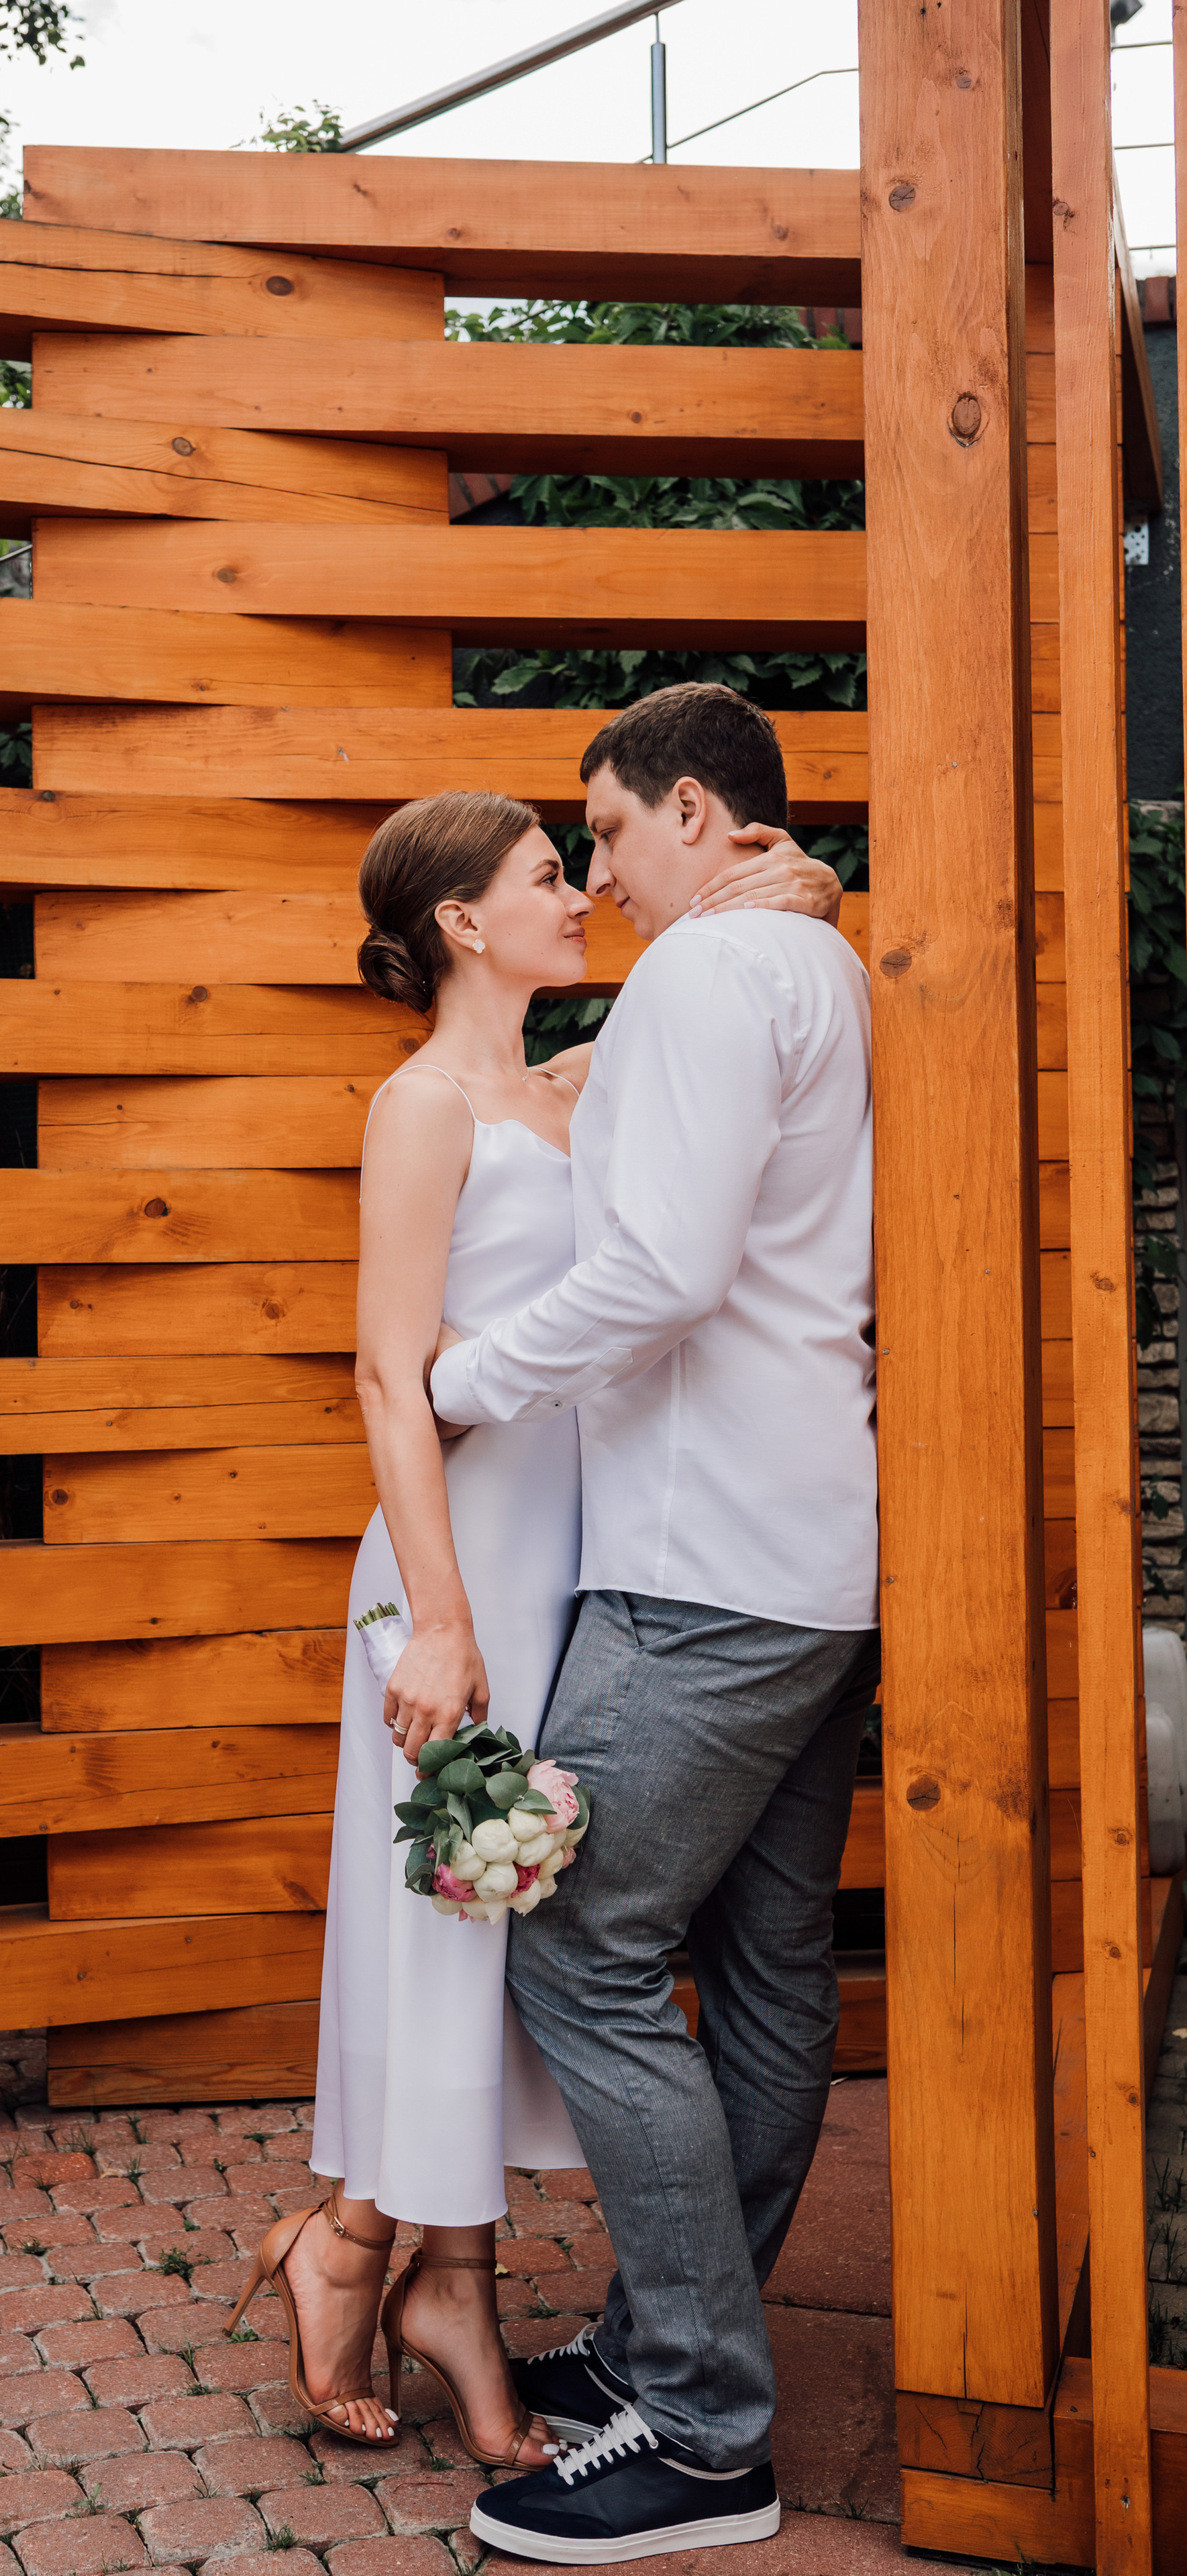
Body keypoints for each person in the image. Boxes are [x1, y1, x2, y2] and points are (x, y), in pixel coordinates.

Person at [225, 756, 846, 2479]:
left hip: (586, 1563)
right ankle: (397, 2275)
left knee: (507, 1936)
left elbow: (717, 992)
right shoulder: (419, 1105)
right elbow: (383, 1372)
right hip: (454, 1570)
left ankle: (393, 2262)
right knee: (450, 1929)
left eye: (585, 860)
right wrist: (433, 1617)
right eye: (539, 874)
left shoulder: (581, 1078)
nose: (577, 889)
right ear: (457, 921)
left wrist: (790, 887)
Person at [423, 685, 881, 2565]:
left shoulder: (711, 972)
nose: (596, 872)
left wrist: (465, 1376)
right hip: (812, 1559)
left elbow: (666, 1271)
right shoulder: (798, 962)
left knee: (582, 1944)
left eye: (607, 830)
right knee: (768, 1970)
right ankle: (664, 2355)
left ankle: (701, 2426)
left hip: (700, 1568)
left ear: (698, 812)